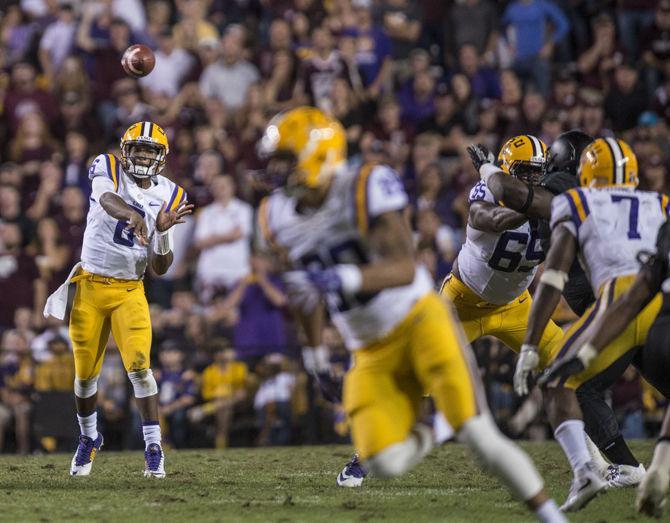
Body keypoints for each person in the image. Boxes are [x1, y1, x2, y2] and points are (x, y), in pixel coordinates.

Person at [256, 106, 565, 522]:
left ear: (317, 156)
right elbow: (303, 295)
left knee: (480, 436)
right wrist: (314, 357)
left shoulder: (364, 185)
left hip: (420, 320)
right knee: (382, 462)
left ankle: (553, 516)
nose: (276, 172)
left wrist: (343, 278)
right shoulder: (273, 217)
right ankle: (430, 431)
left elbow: (405, 268)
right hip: (368, 347)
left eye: (285, 161)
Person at [471, 131, 651, 486]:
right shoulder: (647, 201)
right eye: (527, 170)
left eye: (542, 168)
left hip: (610, 306)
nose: (538, 176)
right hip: (644, 302)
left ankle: (619, 469)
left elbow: (550, 274)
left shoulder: (567, 191)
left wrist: (489, 169)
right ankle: (621, 467)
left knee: (571, 382)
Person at [513, 138, 666, 511]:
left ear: (585, 173)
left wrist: (531, 345)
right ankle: (650, 468)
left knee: (557, 382)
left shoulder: (576, 200)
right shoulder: (659, 202)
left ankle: (585, 471)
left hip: (619, 300)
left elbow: (553, 278)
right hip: (661, 303)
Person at [42, 121, 193, 478]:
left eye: (150, 150)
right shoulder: (107, 166)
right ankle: (90, 437)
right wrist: (135, 214)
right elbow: (108, 200)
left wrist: (164, 233)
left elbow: (160, 268)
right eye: (137, 149)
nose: (142, 155)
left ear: (162, 157)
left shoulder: (172, 195)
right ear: (125, 151)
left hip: (129, 289)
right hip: (90, 286)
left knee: (141, 369)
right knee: (84, 378)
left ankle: (154, 447)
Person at [540, 218, 670, 518]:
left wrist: (587, 350)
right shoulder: (651, 210)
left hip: (630, 312)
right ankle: (647, 467)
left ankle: (621, 467)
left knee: (574, 384)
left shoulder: (578, 204)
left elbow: (631, 296)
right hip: (643, 313)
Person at [441, 135, 564, 374]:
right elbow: (493, 219)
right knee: (422, 373)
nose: (532, 179)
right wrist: (534, 206)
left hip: (517, 306)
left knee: (567, 366)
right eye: (524, 172)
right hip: (464, 304)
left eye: (538, 172)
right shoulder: (488, 192)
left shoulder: (552, 200)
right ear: (505, 173)